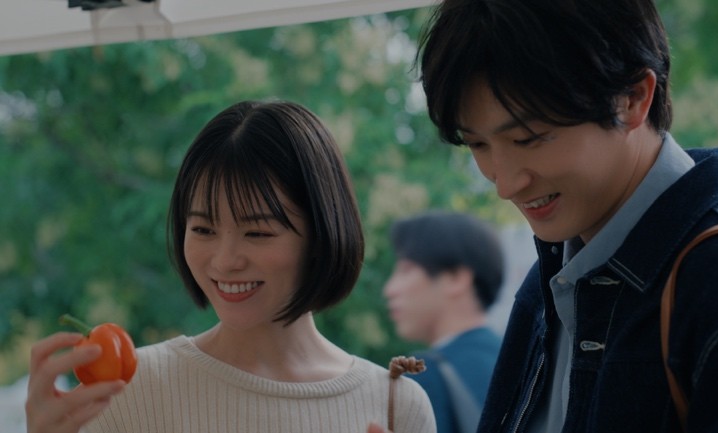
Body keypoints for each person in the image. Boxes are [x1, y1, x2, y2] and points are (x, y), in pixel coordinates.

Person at [401, 0, 718, 432]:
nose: (505, 185)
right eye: (477, 145)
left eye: (528, 138)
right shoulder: (552, 277)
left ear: (633, 98)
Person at [25, 100, 436, 433]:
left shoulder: (397, 405)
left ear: (321, 234)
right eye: (203, 229)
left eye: (257, 233)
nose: (225, 261)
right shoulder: (129, 392)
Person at [383, 210, 504, 433]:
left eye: (405, 270)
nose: (390, 289)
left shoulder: (425, 377)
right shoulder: (527, 362)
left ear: (456, 278)